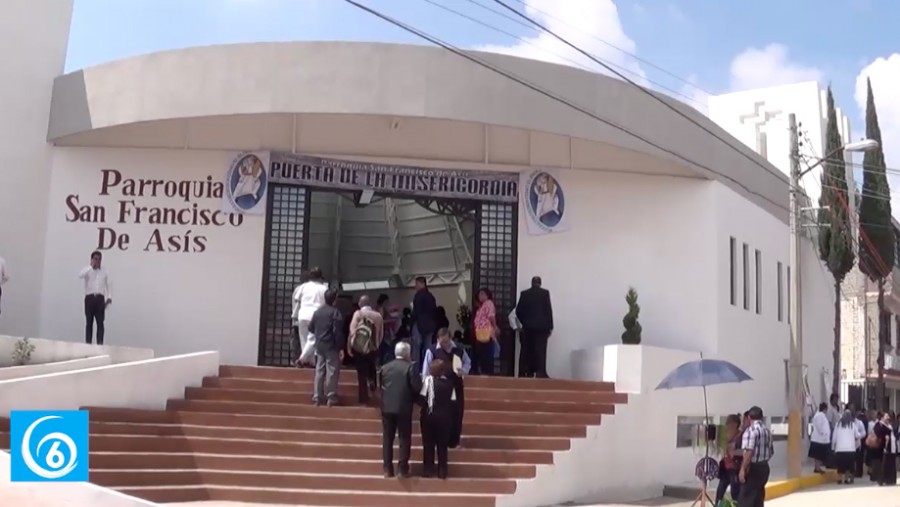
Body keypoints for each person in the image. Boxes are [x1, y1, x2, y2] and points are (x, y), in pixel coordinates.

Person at [379, 341, 422, 478]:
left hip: (387, 407)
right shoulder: (410, 368)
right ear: (407, 353)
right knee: (404, 438)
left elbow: (380, 385)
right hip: (404, 407)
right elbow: (416, 387)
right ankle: (402, 469)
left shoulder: (385, 367)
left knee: (387, 438)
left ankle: (387, 468)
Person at [422, 328, 471, 448]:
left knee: (457, 412)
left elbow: (467, 362)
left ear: (450, 338)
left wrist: (463, 371)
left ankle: (454, 441)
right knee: (442, 414)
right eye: (442, 342)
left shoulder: (458, 349)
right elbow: (426, 370)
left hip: (455, 385)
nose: (445, 345)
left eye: (447, 342)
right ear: (438, 339)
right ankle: (440, 440)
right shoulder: (432, 350)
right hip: (439, 387)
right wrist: (426, 387)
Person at [308, 289, 345, 407]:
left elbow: (310, 327)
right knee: (332, 370)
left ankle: (317, 396)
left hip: (319, 344)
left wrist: (319, 334)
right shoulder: (335, 312)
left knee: (319, 370)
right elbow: (337, 331)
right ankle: (331, 396)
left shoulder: (318, 312)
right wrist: (340, 346)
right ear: (335, 299)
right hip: (331, 345)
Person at [420, 359, 455, 479]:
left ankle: (428, 469)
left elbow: (422, 397)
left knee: (428, 444)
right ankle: (442, 470)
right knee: (442, 445)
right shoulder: (450, 384)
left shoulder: (428, 382)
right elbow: (453, 400)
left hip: (429, 417)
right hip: (444, 417)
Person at [515, 276, 553, 378]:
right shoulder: (545, 293)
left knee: (526, 350)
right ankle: (541, 372)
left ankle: (524, 372)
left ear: (531, 283)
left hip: (527, 327)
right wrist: (550, 326)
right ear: (540, 283)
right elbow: (548, 310)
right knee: (541, 350)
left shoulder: (525, 294)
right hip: (541, 328)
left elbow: (518, 311)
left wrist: (524, 322)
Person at [348, 295, 384, 405]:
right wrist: (376, 344)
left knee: (361, 374)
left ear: (360, 303)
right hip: (373, 347)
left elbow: (352, 330)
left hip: (359, 348)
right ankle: (372, 383)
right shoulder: (378, 316)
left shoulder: (358, 314)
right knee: (372, 367)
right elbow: (381, 334)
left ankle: (363, 399)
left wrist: (350, 346)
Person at [738, 406, 773, 507]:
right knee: (758, 498)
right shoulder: (767, 431)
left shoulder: (751, 431)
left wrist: (743, 469)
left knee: (745, 500)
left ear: (749, 418)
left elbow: (749, 452)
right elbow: (770, 451)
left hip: (752, 468)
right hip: (764, 468)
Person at [292, 267, 328, 366]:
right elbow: (327, 302)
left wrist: (294, 314)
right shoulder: (324, 288)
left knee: (304, 339)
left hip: (302, 314)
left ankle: (309, 361)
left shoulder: (303, 287)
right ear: (320, 277)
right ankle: (303, 359)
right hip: (316, 314)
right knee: (313, 339)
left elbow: (297, 300)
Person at [78, 250, 112, 345]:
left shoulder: (105, 271)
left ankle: (100, 343)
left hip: (100, 299)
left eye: (99, 259)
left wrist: (109, 297)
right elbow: (80, 275)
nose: (98, 261)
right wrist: (90, 267)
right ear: (92, 259)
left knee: (100, 323)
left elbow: (108, 284)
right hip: (89, 298)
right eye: (96, 259)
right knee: (89, 322)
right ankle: (88, 343)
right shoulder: (87, 270)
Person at [714, 414, 743, 505]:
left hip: (735, 468)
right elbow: (719, 450)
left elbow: (744, 452)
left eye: (729, 424)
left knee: (735, 493)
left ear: (735, 425)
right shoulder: (726, 436)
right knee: (720, 492)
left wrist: (734, 451)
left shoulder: (741, 437)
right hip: (725, 468)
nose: (727, 426)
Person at [832, 410, 865, 484]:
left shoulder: (838, 424)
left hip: (840, 449)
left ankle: (840, 479)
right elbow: (857, 435)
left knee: (840, 465)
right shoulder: (852, 425)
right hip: (850, 449)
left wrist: (833, 447)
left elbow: (834, 437)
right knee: (848, 466)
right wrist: (862, 435)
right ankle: (847, 479)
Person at [410, 276, 437, 364]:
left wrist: (411, 323)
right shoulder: (431, 296)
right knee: (428, 347)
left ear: (423, 284)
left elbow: (416, 312)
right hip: (430, 325)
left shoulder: (418, 296)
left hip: (419, 323)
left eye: (417, 284)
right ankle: (428, 367)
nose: (415, 286)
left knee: (416, 348)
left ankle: (416, 369)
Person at [472, 288, 498, 376]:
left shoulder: (489, 303)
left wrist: (495, 327)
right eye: (479, 294)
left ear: (487, 295)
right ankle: (483, 372)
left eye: (483, 294)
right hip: (480, 333)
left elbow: (491, 316)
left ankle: (488, 373)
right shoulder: (480, 306)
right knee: (481, 354)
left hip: (486, 332)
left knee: (487, 354)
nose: (481, 296)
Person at [872, 412, 898, 485]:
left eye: (888, 417)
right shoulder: (879, 425)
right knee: (882, 465)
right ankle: (881, 480)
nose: (888, 418)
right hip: (882, 448)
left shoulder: (889, 426)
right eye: (886, 417)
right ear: (882, 417)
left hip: (891, 447)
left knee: (890, 464)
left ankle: (890, 479)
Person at [809, 402, 831, 473]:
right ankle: (817, 468)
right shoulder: (820, 415)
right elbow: (819, 426)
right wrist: (823, 433)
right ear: (825, 409)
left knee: (818, 455)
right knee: (818, 455)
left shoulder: (820, 415)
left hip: (820, 439)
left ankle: (817, 468)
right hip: (819, 439)